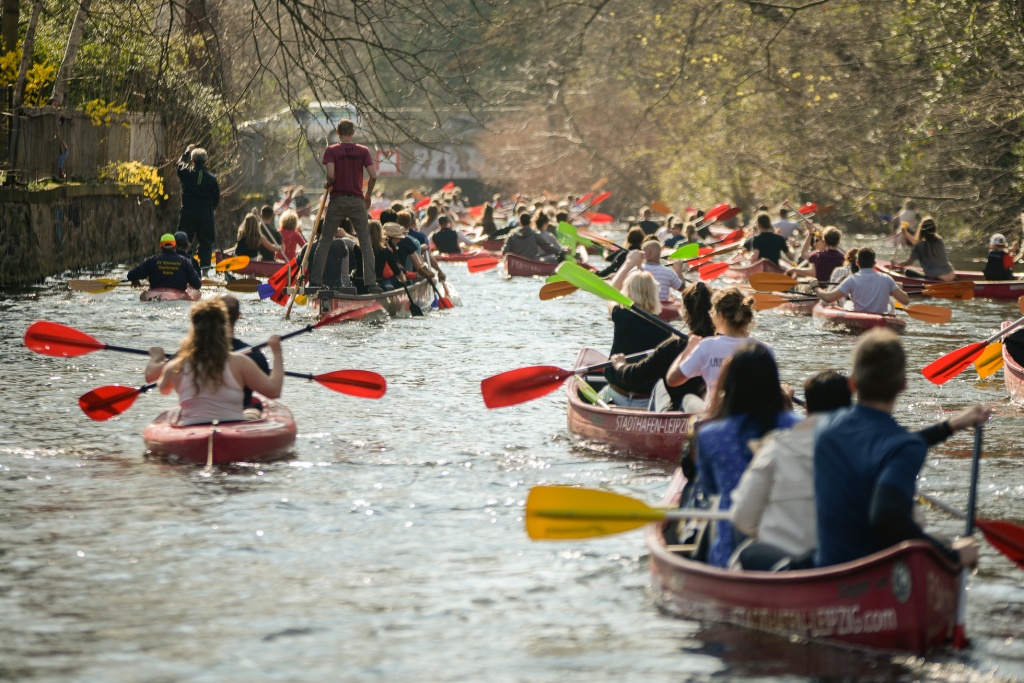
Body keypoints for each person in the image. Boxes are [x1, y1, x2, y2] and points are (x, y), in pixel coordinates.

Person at [733, 370, 991, 571]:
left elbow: (743, 519)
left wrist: (769, 527)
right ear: (849, 409)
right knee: (938, 539)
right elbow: (914, 519)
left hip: (804, 565)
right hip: (859, 563)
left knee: (746, 553)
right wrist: (952, 425)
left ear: (808, 410)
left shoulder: (776, 447)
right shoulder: (871, 449)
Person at [813, 330, 980, 569]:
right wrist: (950, 555)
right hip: (876, 576)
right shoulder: (902, 446)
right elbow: (887, 516)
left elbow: (885, 446)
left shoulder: (825, 427)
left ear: (852, 383)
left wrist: (949, 426)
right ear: (903, 384)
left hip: (827, 567)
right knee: (948, 542)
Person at [691, 343, 799, 567]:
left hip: (729, 554)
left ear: (731, 385)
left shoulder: (710, 436)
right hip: (790, 551)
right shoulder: (798, 428)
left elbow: (711, 489)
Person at [144, 299, 283, 427]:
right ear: (223, 327)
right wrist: (277, 353)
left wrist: (157, 359)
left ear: (193, 328)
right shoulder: (241, 362)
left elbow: (164, 389)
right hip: (232, 428)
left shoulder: (175, 366)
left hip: (191, 428)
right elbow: (274, 391)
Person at [606, 281, 714, 412]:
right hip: (713, 411)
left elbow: (634, 376)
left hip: (679, 413)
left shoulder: (674, 345)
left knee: (659, 385)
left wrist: (619, 365)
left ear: (685, 313)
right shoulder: (725, 342)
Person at [666, 287, 768, 405]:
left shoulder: (707, 346)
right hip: (751, 419)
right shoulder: (764, 349)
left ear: (721, 316)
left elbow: (672, 380)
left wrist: (688, 350)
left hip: (715, 417)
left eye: (712, 313)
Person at [310, 119, 379, 294]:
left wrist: (328, 184)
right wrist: (368, 195)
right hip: (357, 200)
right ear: (353, 132)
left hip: (338, 200)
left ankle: (316, 281)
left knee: (325, 241)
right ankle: (371, 283)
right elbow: (373, 175)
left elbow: (331, 176)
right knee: (365, 243)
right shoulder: (363, 151)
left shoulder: (331, 150)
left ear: (337, 132)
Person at [598, 264, 673, 407]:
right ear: (654, 294)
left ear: (627, 292)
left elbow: (610, 293)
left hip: (616, 394)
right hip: (648, 401)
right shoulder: (667, 331)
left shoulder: (621, 316)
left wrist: (628, 264)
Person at [219, 294, 271, 415]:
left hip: (201, 417)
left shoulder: (191, 352)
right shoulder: (254, 356)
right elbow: (273, 391)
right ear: (238, 316)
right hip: (240, 413)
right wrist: (277, 354)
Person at [814, 247, 909, 314]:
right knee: (890, 305)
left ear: (857, 263)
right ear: (875, 263)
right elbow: (905, 301)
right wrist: (899, 289)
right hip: (881, 317)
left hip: (859, 317)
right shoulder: (887, 279)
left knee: (847, 303)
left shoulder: (852, 279)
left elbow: (828, 298)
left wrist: (815, 287)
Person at [176, 145, 220, 269]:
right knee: (206, 244)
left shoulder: (186, 173)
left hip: (188, 213)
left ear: (192, 160)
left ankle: (184, 269)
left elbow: (179, 165)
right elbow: (216, 199)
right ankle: (205, 272)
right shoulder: (212, 179)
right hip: (205, 214)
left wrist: (186, 152)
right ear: (206, 161)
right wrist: (210, 210)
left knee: (184, 242)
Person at [127, 233, 203, 292]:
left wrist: (135, 280)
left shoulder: (152, 260)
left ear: (161, 246)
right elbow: (197, 284)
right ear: (175, 246)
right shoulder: (185, 261)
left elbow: (130, 275)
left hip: (155, 294)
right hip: (178, 295)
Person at [895, 217, 956, 281]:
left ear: (921, 229)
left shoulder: (919, 246)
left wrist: (896, 263)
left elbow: (908, 263)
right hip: (952, 276)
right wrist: (906, 234)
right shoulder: (939, 240)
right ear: (934, 228)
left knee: (907, 271)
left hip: (938, 279)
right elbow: (918, 244)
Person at [352, 220, 403, 292]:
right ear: (380, 234)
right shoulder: (385, 251)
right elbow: (397, 271)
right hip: (377, 285)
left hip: (359, 286)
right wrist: (403, 279)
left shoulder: (356, 248)